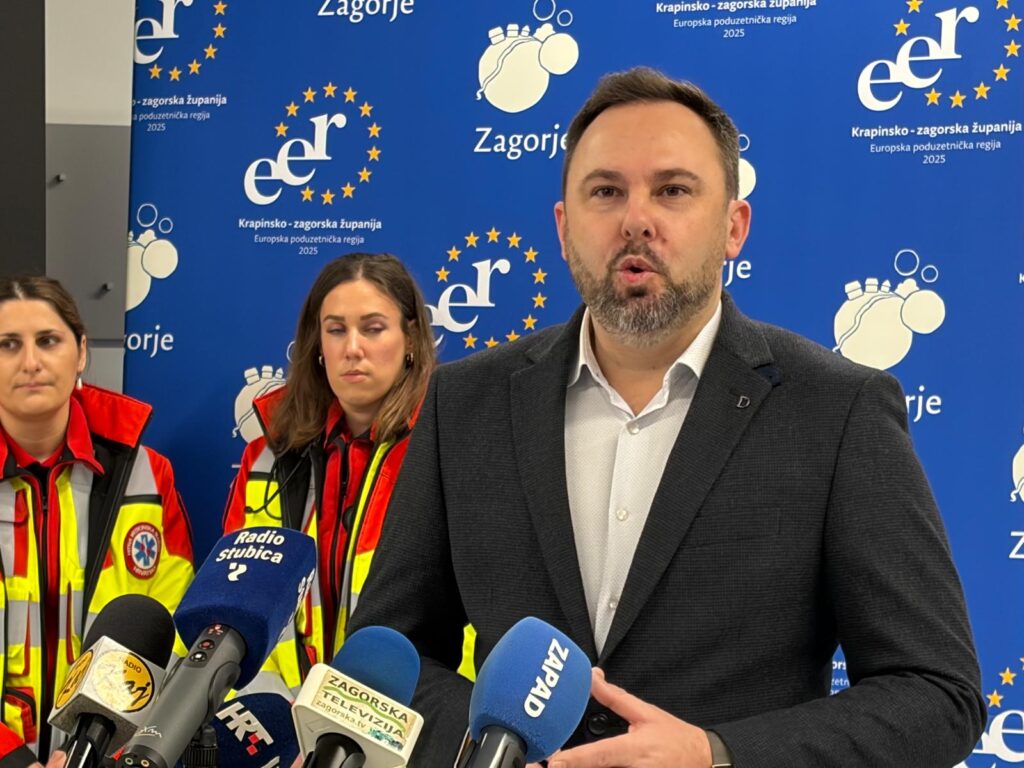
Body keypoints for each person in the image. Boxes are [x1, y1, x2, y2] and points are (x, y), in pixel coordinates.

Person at [348, 67, 986, 768]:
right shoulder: (464, 403)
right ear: (563, 227)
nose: (636, 220)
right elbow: (387, 659)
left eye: (673, 190)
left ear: (733, 227)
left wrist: (718, 755)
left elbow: (936, 694)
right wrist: (497, 748)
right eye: (605, 191)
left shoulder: (838, 411)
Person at [0, 275, 195, 768]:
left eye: (48, 340)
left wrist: (104, 751)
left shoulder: (147, 474)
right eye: (8, 344)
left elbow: (171, 627)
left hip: (107, 753)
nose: (30, 362)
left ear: (81, 352)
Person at [222, 252, 436, 700]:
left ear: (412, 339)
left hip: (405, 718)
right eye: (336, 330)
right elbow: (234, 604)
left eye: (373, 329)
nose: (352, 348)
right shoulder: (266, 456)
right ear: (317, 344)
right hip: (280, 716)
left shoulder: (447, 449)